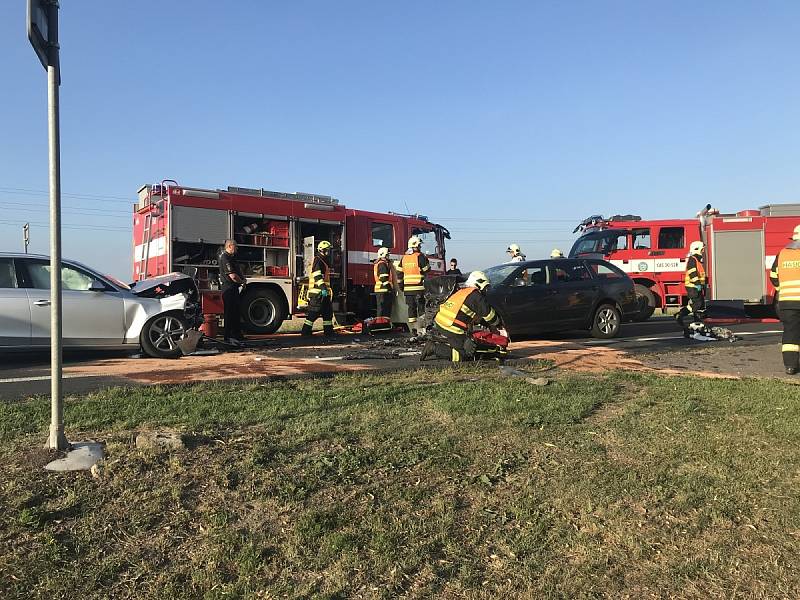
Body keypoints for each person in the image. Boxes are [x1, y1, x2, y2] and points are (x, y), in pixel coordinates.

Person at [421, 270, 501, 362]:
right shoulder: (476, 296)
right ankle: (434, 348)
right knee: (466, 354)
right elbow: (491, 317)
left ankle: (445, 343)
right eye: (486, 287)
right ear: (480, 283)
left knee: (462, 342)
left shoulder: (463, 291)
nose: (486, 290)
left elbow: (472, 315)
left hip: (440, 322)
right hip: (451, 327)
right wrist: (499, 324)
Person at [769, 224, 800, 374]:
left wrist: (782, 289)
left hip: (787, 302)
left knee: (790, 331)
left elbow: (773, 275)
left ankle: (790, 366)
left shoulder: (782, 254)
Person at [398, 235, 431, 335]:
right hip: (418, 288)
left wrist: (401, 287)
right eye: (419, 246)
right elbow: (427, 269)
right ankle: (421, 329)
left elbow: (399, 274)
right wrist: (426, 260)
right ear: (416, 246)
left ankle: (413, 329)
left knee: (411, 309)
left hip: (408, 289)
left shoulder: (404, 258)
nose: (420, 248)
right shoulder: (420, 256)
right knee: (421, 309)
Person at [301, 240, 335, 337]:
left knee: (327, 313)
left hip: (324, 293)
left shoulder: (323, 261)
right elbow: (317, 277)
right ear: (322, 250)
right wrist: (323, 288)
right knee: (313, 313)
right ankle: (305, 332)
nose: (328, 252)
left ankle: (328, 332)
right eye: (327, 250)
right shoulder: (318, 260)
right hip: (317, 293)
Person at [218, 239, 246, 345]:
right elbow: (233, 276)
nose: (237, 248)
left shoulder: (232, 258)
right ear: (230, 246)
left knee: (235, 312)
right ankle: (228, 336)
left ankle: (237, 335)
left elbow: (237, 271)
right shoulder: (225, 258)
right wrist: (242, 281)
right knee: (230, 313)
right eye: (235, 246)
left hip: (233, 288)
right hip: (229, 288)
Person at [675, 241, 706, 331]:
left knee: (699, 304)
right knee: (698, 304)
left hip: (696, 285)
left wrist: (703, 283)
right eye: (702, 249)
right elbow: (692, 273)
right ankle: (681, 315)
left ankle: (696, 321)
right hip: (692, 286)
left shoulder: (697, 260)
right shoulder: (693, 259)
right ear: (697, 249)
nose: (703, 251)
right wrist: (697, 284)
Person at [373, 246, 395, 318]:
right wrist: (389, 289)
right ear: (384, 255)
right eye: (387, 255)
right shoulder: (382, 264)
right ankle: (382, 324)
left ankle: (382, 324)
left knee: (382, 309)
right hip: (383, 290)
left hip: (381, 290)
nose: (388, 256)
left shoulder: (379, 263)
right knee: (384, 310)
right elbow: (383, 278)